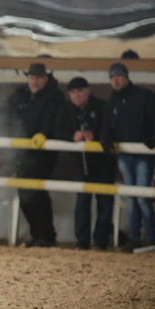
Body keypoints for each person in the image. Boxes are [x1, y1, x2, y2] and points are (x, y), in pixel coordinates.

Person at [101, 62, 155, 251]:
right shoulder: (112, 102)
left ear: (126, 77)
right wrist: (107, 139)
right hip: (125, 155)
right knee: (133, 197)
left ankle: (151, 237)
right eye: (112, 77)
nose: (116, 80)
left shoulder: (144, 97)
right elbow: (108, 127)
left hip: (143, 154)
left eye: (119, 75)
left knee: (142, 197)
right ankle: (136, 237)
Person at [55, 77, 117, 250]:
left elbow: (110, 130)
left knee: (104, 201)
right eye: (74, 92)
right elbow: (57, 130)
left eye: (81, 91)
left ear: (88, 91)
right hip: (79, 164)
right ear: (69, 94)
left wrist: (96, 138)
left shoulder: (102, 107)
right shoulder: (65, 110)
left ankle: (101, 241)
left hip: (103, 163)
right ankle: (82, 241)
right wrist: (72, 136)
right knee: (82, 201)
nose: (77, 95)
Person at [7, 63, 64, 247]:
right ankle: (37, 233)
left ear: (46, 79)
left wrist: (44, 133)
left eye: (38, 77)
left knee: (37, 193)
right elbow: (8, 116)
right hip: (22, 150)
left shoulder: (54, 97)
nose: (35, 81)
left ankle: (46, 235)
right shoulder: (19, 95)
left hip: (42, 153)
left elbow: (54, 120)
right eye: (32, 77)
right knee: (24, 192)